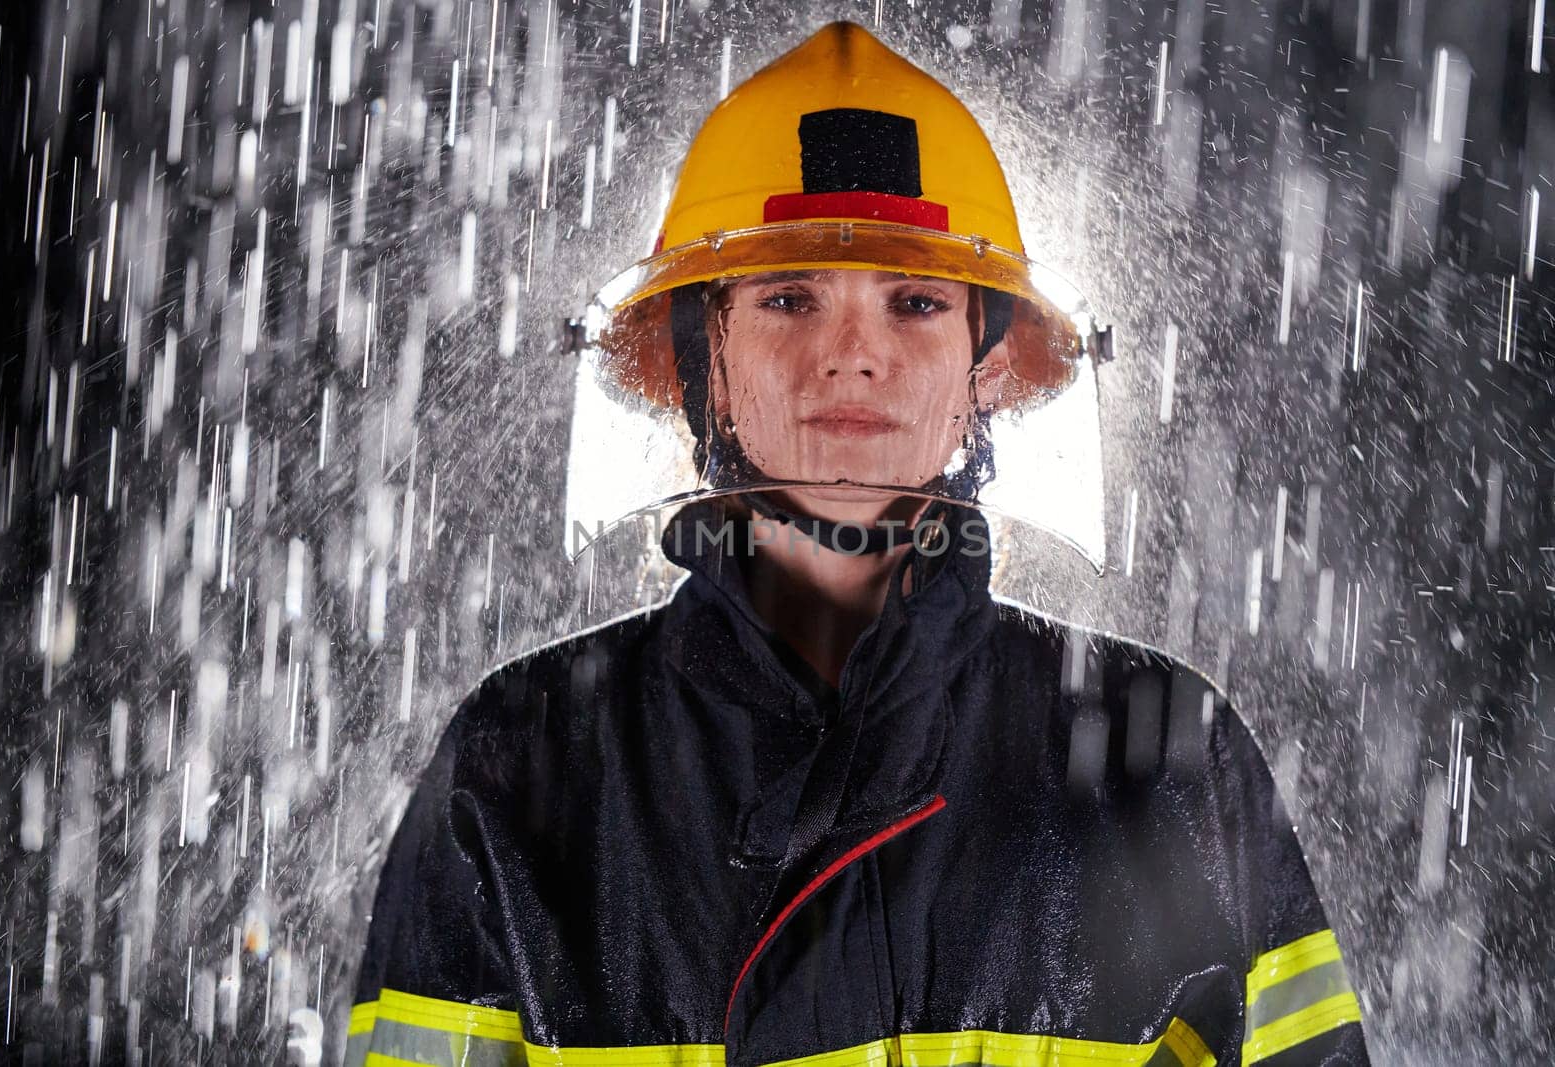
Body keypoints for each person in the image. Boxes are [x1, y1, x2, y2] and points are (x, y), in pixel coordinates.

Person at [345, 21, 1369, 1067]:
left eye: (915, 302)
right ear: (708, 364)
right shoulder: (526, 759)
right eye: (788, 298)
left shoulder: (1164, 754)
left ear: (984, 371)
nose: (851, 356)